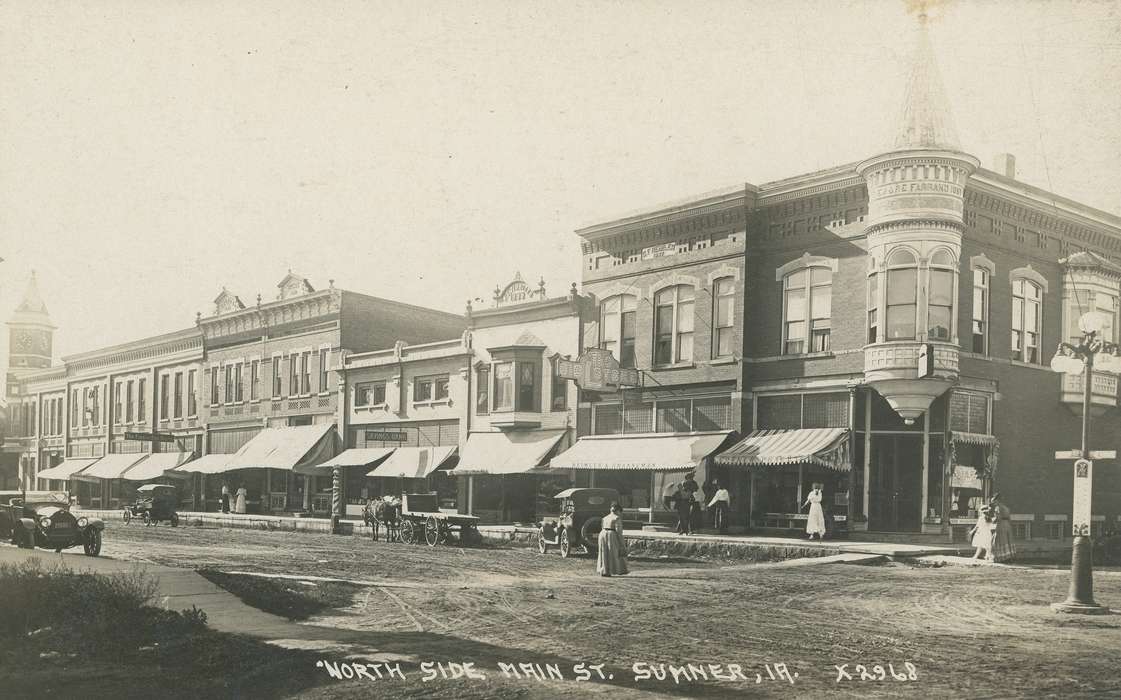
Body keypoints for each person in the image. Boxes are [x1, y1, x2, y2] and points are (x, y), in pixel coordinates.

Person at [596, 502, 629, 577]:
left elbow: (602, 527)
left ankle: (604, 570)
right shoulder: (617, 518)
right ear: (618, 511)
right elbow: (619, 532)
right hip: (612, 534)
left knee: (603, 552)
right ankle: (611, 570)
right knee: (612, 552)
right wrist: (622, 544)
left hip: (603, 533)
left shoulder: (605, 518)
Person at [989, 493, 1016, 563]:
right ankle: (1008, 557)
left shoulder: (998, 508)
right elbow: (1009, 519)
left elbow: (998, 518)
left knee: (997, 541)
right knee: (1007, 540)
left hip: (1001, 525)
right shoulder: (1006, 508)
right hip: (1007, 525)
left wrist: (991, 519)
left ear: (997, 501)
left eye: (993, 502)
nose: (993, 504)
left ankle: (1001, 557)